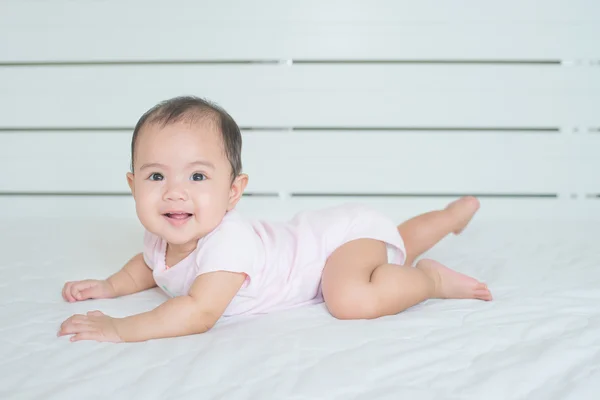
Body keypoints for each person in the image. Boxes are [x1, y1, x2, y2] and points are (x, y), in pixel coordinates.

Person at [58, 96, 492, 343]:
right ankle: (450, 216)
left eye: (197, 175)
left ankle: (431, 280)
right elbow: (148, 267)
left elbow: (197, 312)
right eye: (156, 175)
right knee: (391, 242)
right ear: (134, 186)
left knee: (352, 299)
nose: (175, 191)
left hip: (333, 245)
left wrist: (120, 329)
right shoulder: (165, 233)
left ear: (233, 192)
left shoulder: (227, 243)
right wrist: (110, 287)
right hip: (338, 235)